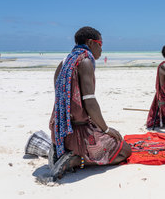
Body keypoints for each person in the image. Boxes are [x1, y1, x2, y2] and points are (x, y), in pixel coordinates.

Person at [48, 26, 131, 180]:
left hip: (59, 130)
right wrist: (106, 129)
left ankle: (62, 150)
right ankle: (74, 161)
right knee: (124, 150)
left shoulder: (65, 62)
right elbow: (89, 102)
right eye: (100, 44)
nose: (101, 49)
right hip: (76, 132)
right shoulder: (84, 62)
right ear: (91, 43)